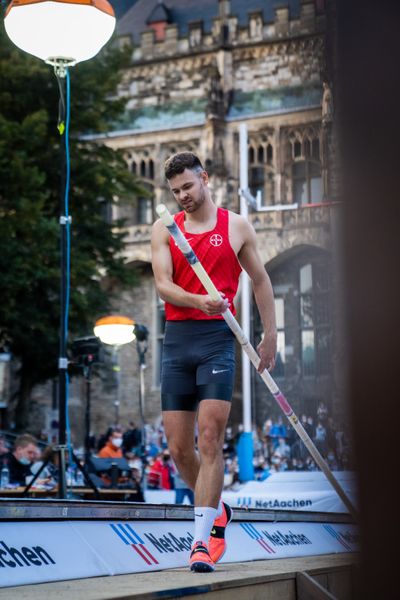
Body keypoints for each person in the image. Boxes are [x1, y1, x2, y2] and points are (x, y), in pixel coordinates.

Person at [151, 151, 277, 572]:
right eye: (175, 191)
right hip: (179, 338)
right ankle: (217, 510)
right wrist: (200, 301)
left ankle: (201, 541)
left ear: (204, 179)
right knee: (179, 449)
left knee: (210, 438)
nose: (183, 196)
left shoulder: (236, 225)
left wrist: (270, 334)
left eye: (188, 186)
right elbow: (164, 287)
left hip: (218, 339)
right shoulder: (165, 228)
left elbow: (260, 279)